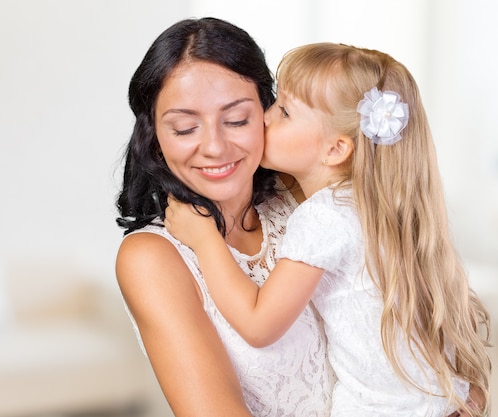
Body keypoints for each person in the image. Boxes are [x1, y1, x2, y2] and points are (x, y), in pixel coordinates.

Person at [164, 42, 492, 417]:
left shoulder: (323, 217)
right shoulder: (367, 204)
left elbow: (259, 324)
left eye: (284, 111)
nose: (265, 118)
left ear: (336, 150)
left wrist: (205, 239)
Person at [115, 18, 335, 417]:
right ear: (155, 138)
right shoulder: (152, 258)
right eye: (185, 128)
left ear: (270, 113)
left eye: (236, 120)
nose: (215, 147)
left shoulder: (309, 199)